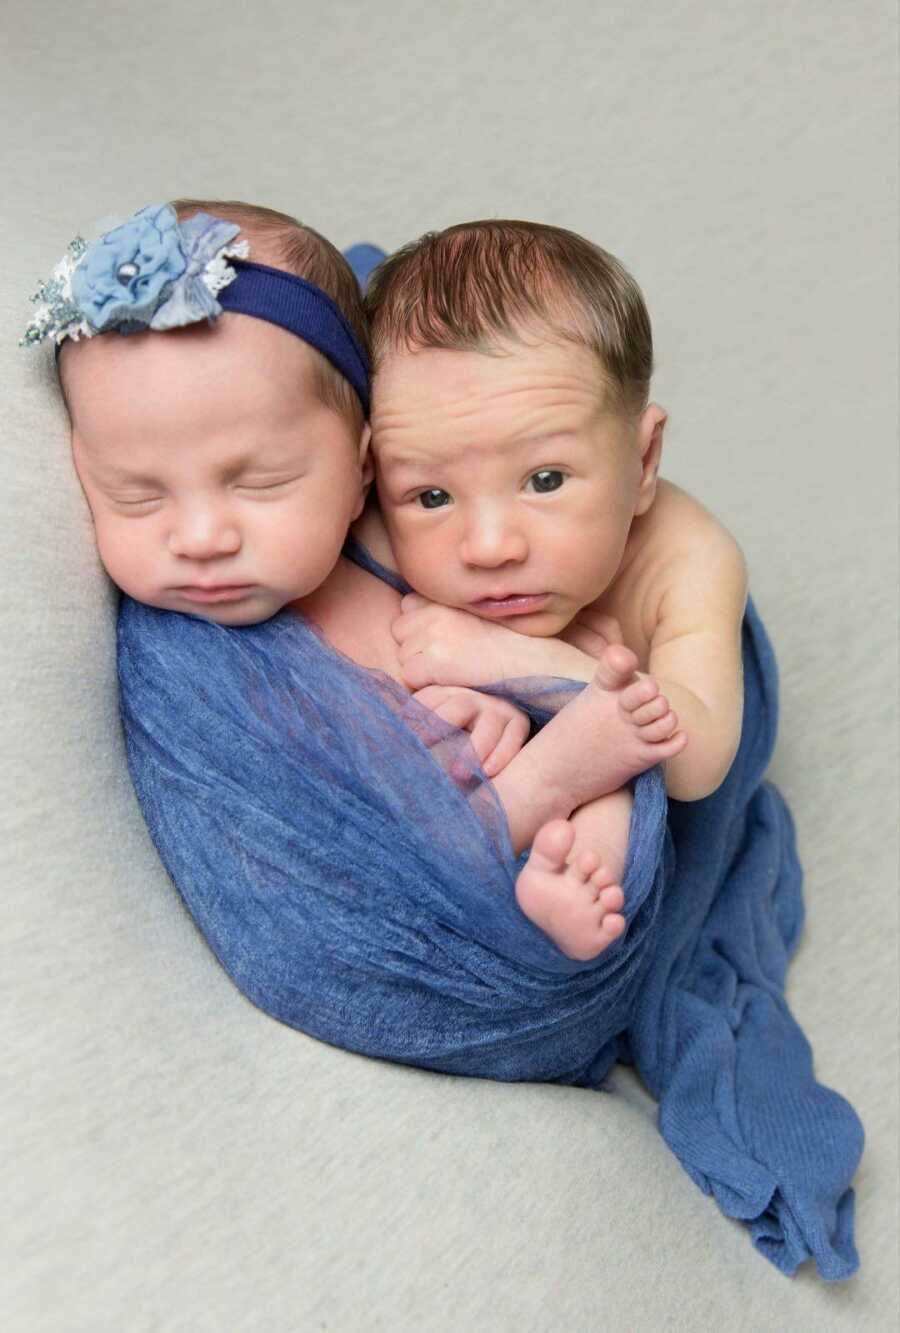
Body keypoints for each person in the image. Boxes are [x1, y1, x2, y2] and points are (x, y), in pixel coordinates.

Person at [27, 199, 685, 961]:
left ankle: (574, 845)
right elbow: (328, 835)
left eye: (263, 483)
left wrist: (489, 702)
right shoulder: (197, 667)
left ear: (363, 466)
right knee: (594, 747)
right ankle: (550, 798)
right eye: (135, 496)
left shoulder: (401, 535)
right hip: (421, 892)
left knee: (610, 741)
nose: (201, 539)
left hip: (535, 842)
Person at [349, 220, 748, 958]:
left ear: (645, 456)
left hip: (677, 695)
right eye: (432, 495)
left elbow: (699, 764)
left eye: (546, 479)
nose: (491, 547)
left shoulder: (689, 555)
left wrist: (507, 658)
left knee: (631, 784)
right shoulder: (372, 514)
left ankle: (580, 867)